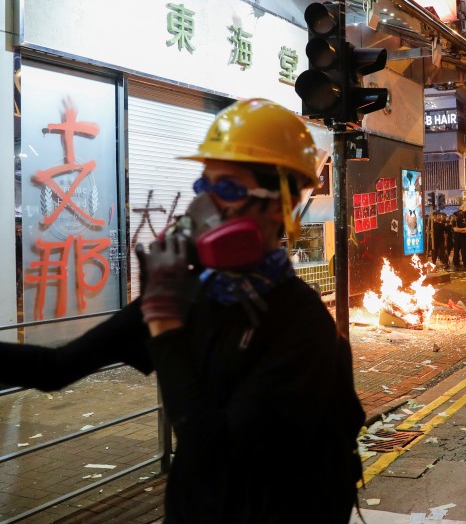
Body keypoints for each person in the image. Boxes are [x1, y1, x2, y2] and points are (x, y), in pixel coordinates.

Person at [0, 99, 365, 522]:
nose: (203, 207)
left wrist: (166, 328)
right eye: (202, 186)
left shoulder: (302, 323)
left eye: (226, 189)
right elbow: (55, 368)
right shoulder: (188, 293)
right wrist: (162, 313)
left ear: (277, 204)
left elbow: (218, 451)